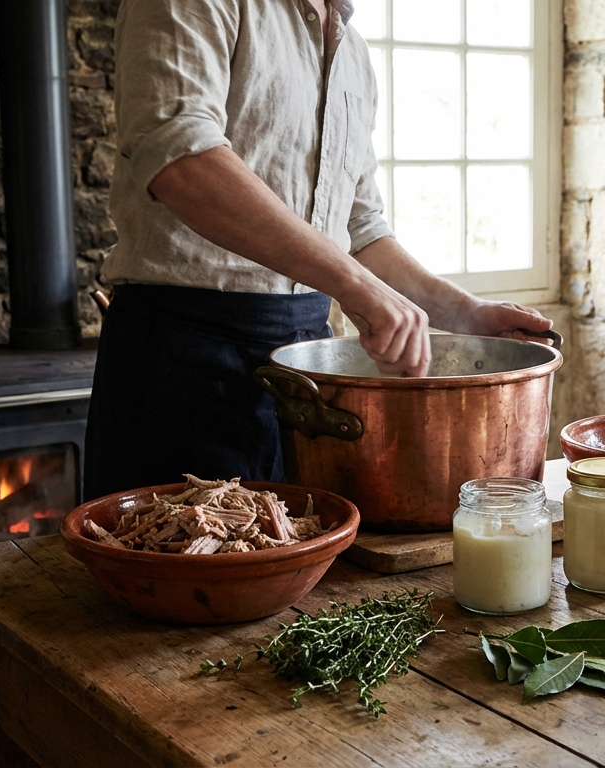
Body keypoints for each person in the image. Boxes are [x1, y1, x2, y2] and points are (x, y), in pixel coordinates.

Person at [83, 0, 553, 500]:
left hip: (310, 369)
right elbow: (180, 157)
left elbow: (359, 226)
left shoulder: (351, 50)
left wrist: (466, 313)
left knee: (321, 573)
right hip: (182, 363)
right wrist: (354, 285)